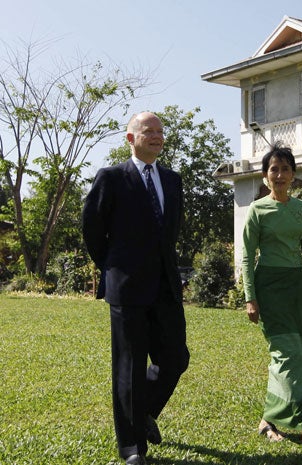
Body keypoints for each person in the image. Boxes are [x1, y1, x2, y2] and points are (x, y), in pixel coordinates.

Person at [82, 112, 190, 465]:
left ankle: (142, 414)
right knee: (129, 366)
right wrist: (113, 268)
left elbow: (171, 232)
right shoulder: (111, 178)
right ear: (131, 138)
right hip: (126, 287)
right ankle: (131, 449)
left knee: (175, 358)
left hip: (166, 286)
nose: (157, 136)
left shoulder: (173, 181)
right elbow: (93, 230)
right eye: (149, 131)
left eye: (160, 131)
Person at [242, 142, 302, 453]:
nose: (279, 174)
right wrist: (250, 298)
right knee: (287, 355)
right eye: (273, 169)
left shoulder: (300, 210)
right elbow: (245, 257)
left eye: (284, 169)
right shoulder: (257, 210)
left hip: (295, 286)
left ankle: (269, 419)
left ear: (294, 175)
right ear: (265, 176)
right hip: (268, 286)